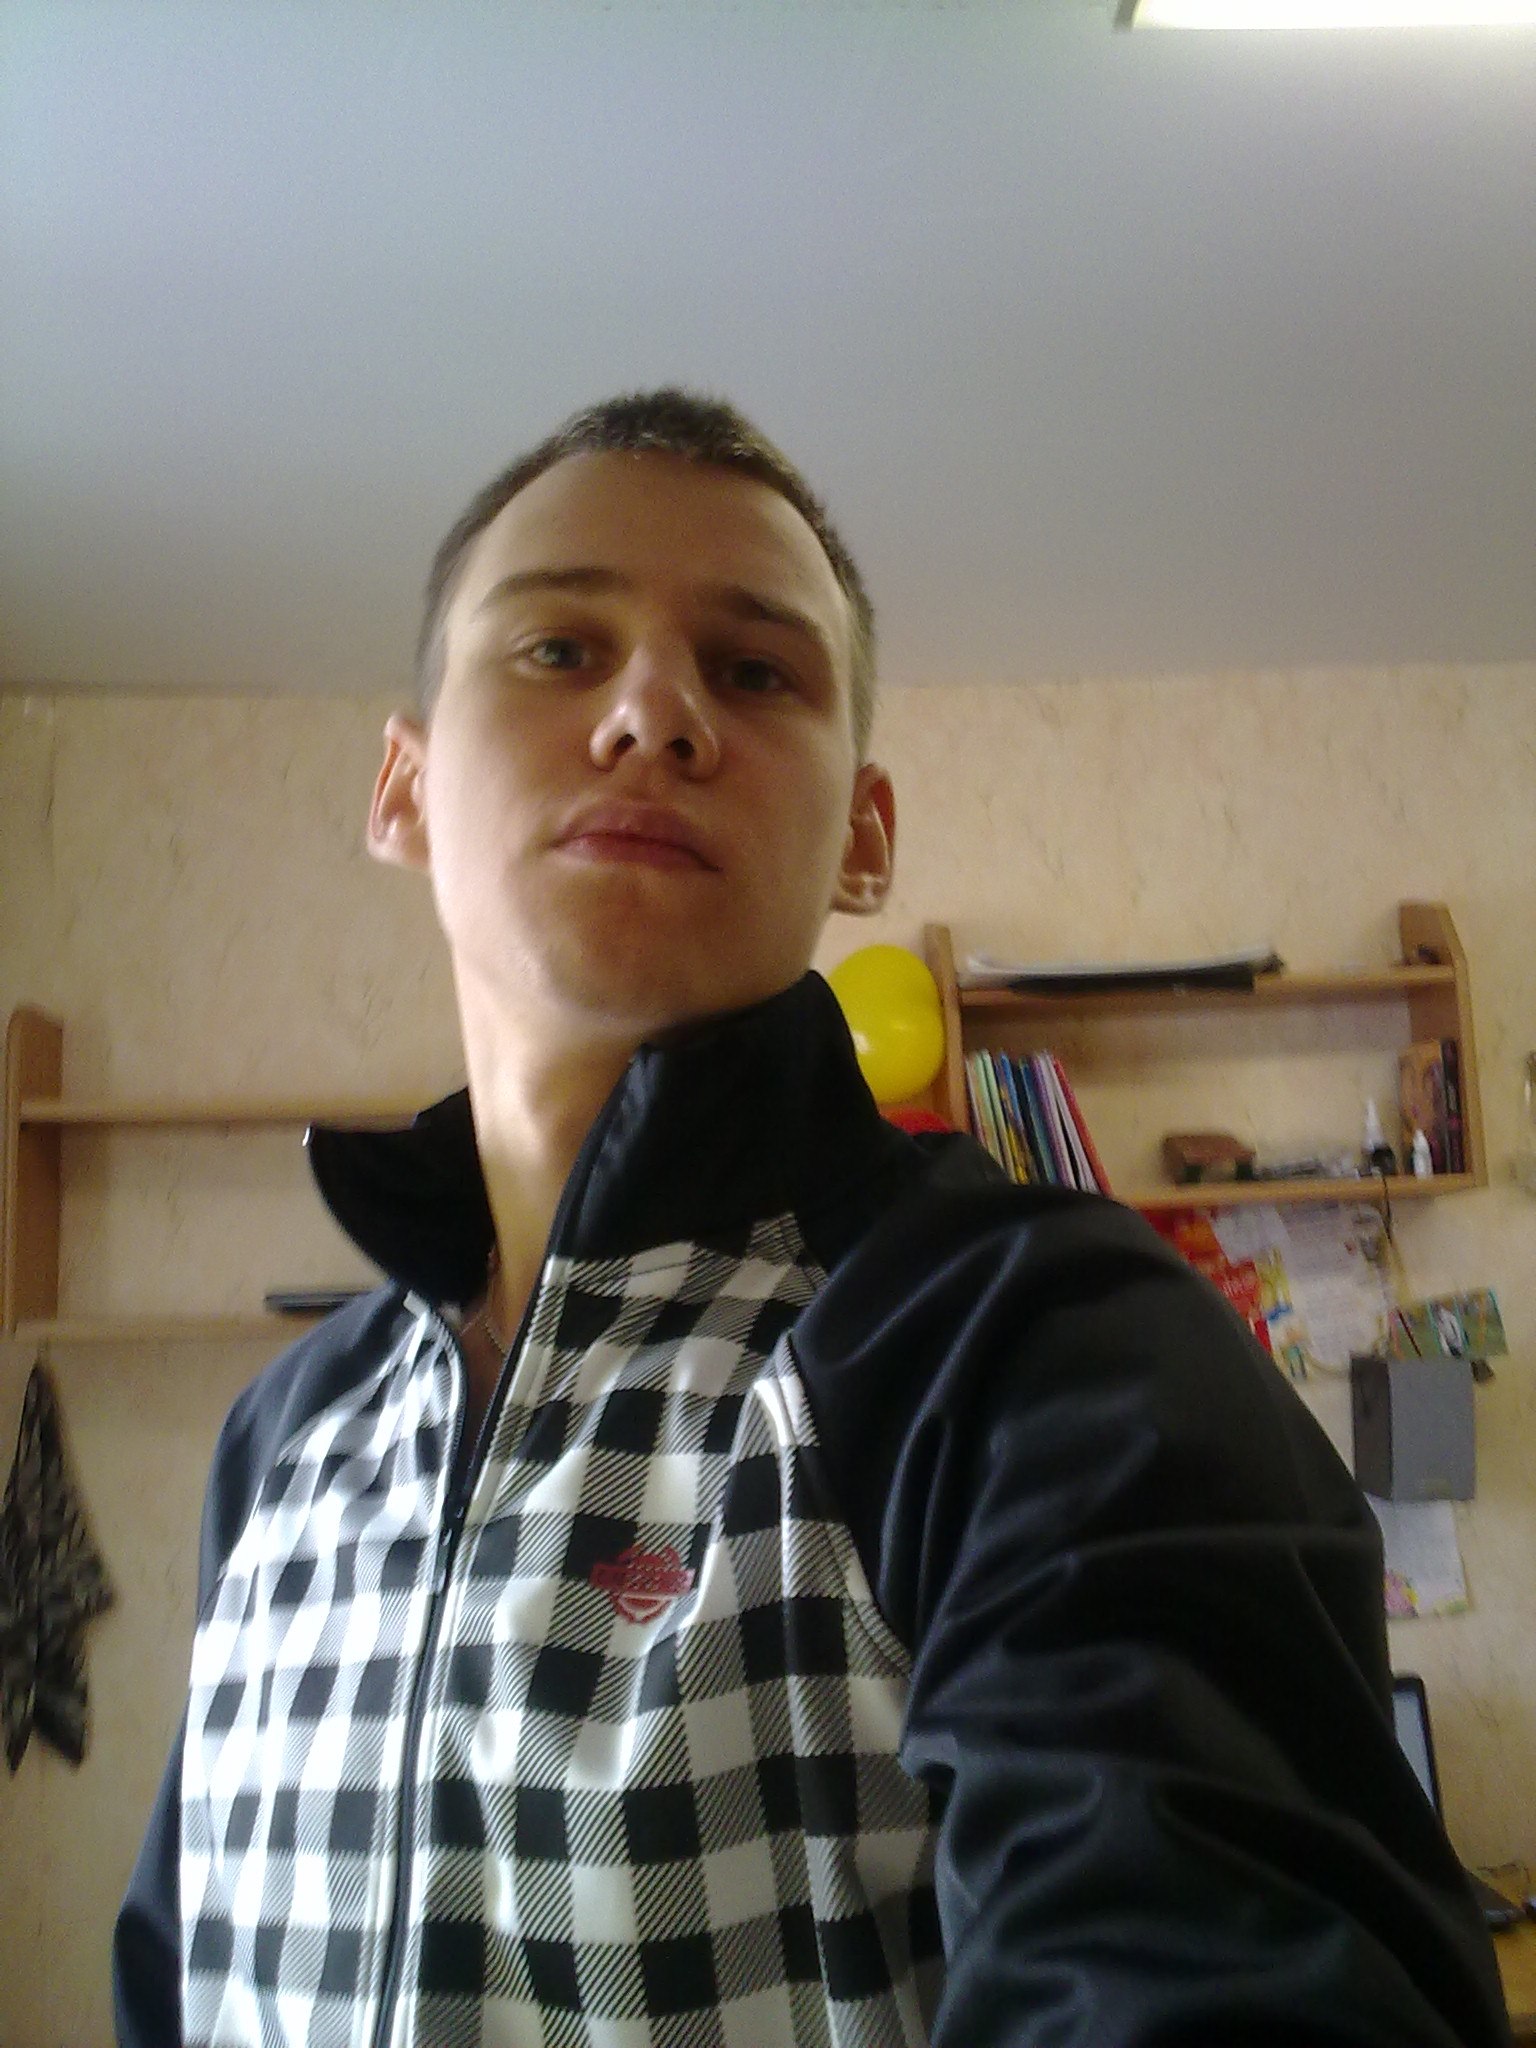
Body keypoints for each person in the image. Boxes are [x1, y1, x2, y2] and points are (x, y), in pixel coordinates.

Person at [115, 389, 1510, 2047]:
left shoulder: (1037, 1345)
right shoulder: (283, 1436)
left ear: (863, 835)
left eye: (755, 671)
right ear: (403, 790)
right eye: (559, 649)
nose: (655, 711)